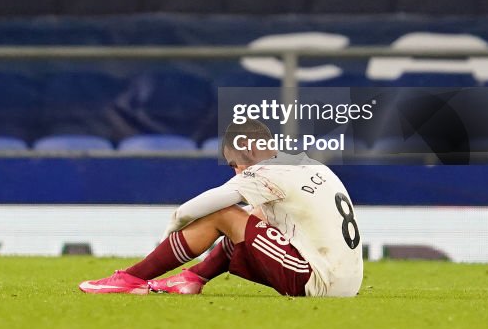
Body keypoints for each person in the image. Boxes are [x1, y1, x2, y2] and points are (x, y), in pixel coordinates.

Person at [79, 119, 363, 297]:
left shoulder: (266, 172)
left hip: (317, 281)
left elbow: (190, 210)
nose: (236, 171)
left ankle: (130, 278)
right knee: (247, 220)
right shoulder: (310, 165)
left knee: (223, 214)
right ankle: (191, 279)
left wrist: (171, 231)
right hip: (346, 283)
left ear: (249, 151)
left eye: (233, 164)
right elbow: (254, 227)